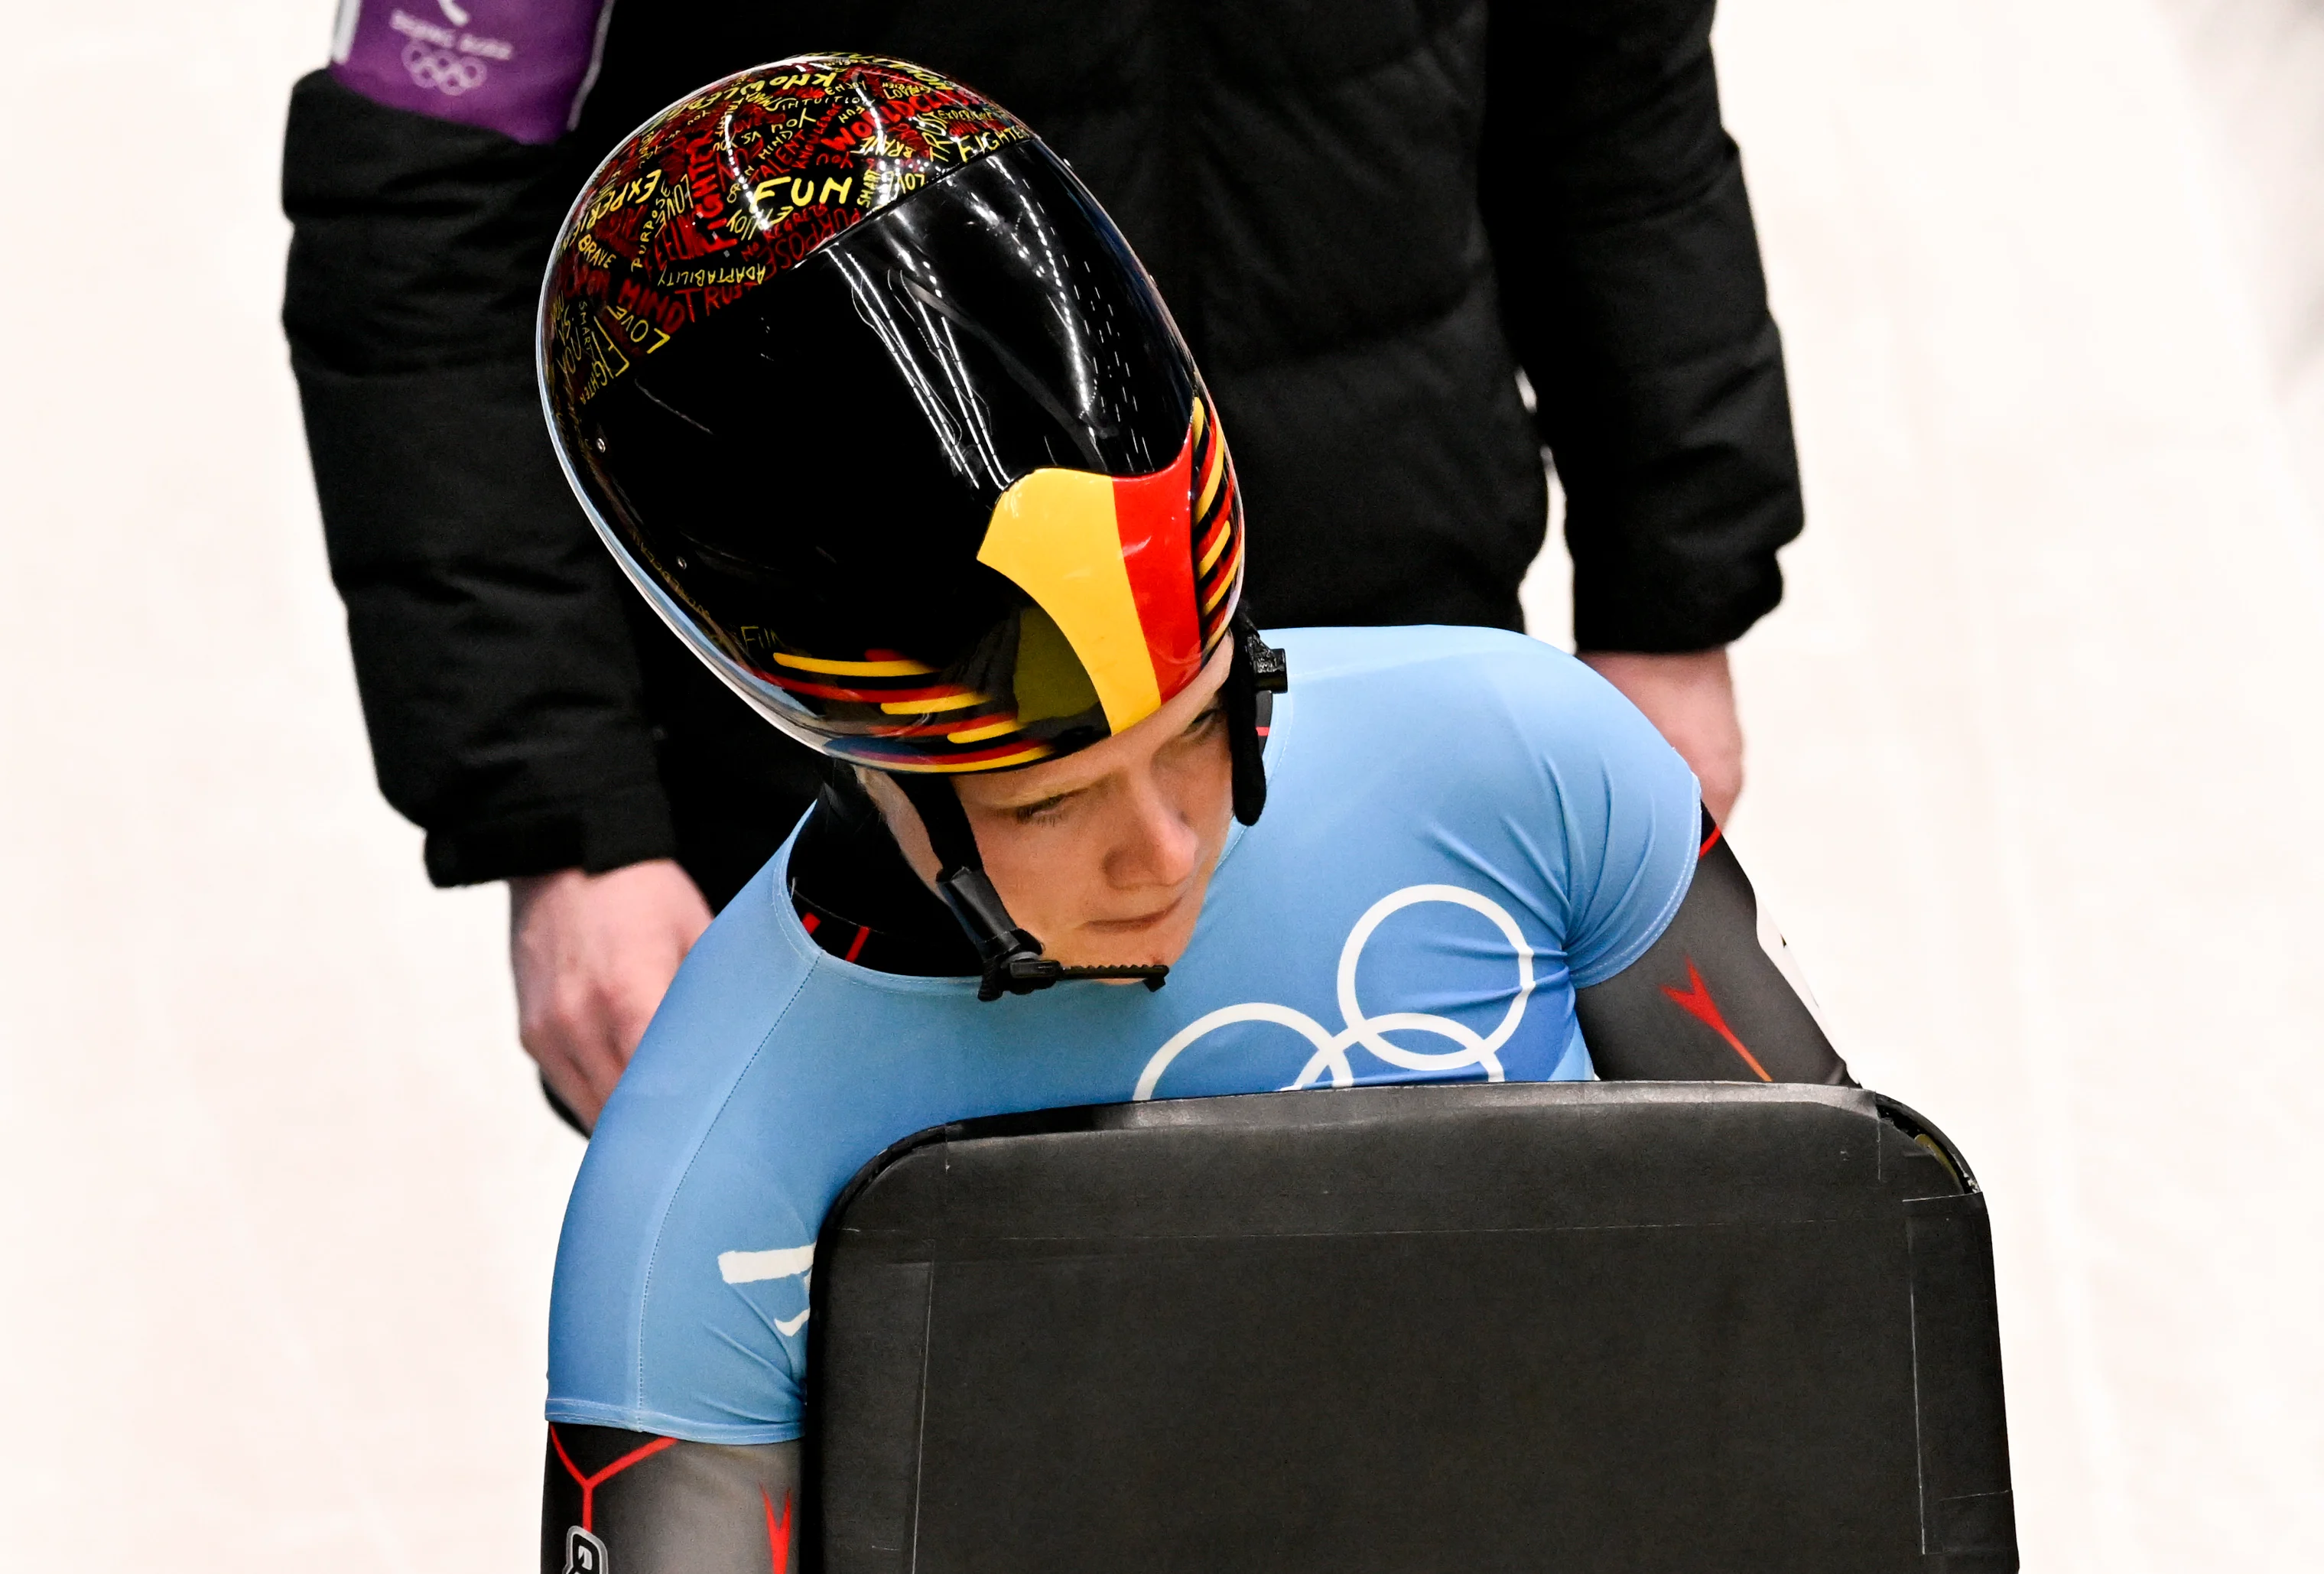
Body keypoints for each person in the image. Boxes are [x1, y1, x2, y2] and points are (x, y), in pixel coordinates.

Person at [525, 60, 1844, 1571]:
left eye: (1212, 725)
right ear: (861, 766)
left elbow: (1839, 1341)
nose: (1164, 848)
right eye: (1048, 799)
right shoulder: (698, 1197)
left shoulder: (1529, 758)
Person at [284, 0, 1805, 1130]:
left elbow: (1611, 83)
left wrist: (1672, 598)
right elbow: (425, 218)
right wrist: (566, 822)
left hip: (1369, 702)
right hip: (876, 789)